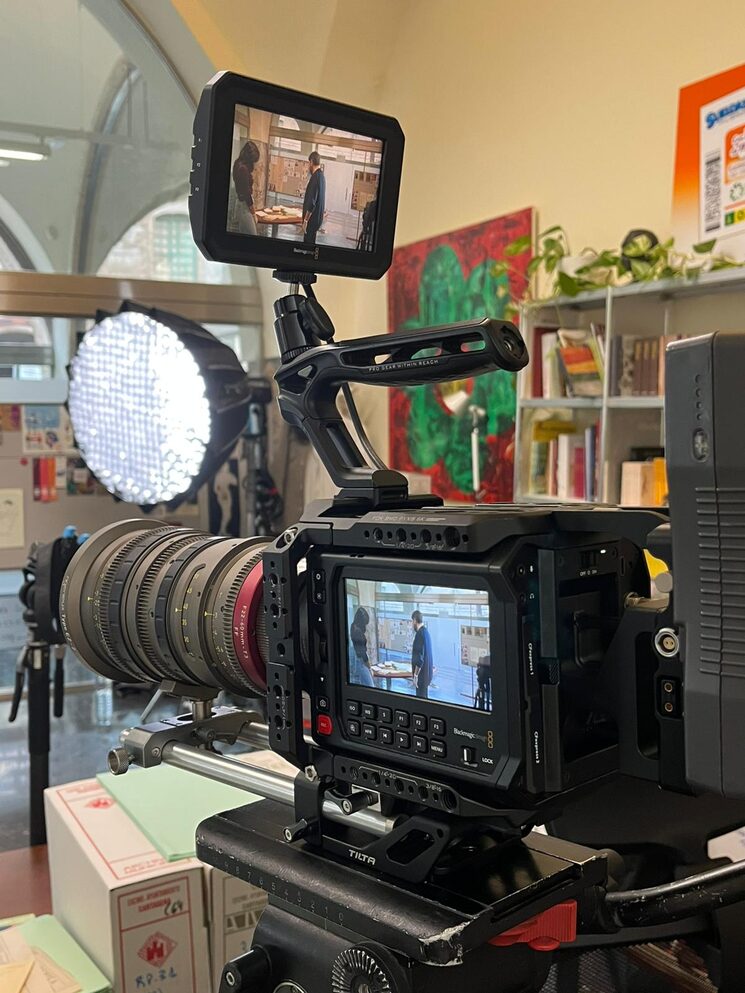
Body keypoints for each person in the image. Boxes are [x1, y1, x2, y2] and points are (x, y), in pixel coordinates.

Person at [232, 140, 260, 235]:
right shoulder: (243, 169)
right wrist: (253, 213)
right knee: (253, 234)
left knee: (243, 233)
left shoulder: (237, 163)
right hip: (244, 205)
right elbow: (246, 194)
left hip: (241, 204)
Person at [302, 150, 326, 245]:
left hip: (311, 220)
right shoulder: (321, 176)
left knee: (307, 244)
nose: (308, 166)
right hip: (317, 219)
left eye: (309, 163)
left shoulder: (315, 177)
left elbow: (312, 202)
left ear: (311, 162)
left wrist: (305, 220)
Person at [410, 610, 433, 699]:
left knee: (420, 700)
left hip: (421, 676)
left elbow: (420, 658)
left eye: (412, 621)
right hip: (427, 675)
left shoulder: (419, 634)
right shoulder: (426, 632)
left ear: (415, 620)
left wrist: (415, 675)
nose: (412, 624)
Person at [349, 606, 374, 687]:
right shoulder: (358, 632)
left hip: (355, 660)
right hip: (360, 661)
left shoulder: (353, 626)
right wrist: (369, 667)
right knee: (370, 685)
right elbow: (362, 653)